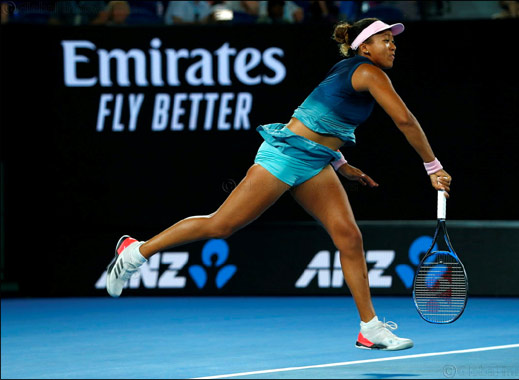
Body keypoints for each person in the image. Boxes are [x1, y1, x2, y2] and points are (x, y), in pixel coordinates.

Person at [105, 17, 452, 351]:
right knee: (220, 225)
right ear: (364, 48)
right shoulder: (368, 73)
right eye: (385, 40)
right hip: (284, 157)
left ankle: (370, 329)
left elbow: (319, 118)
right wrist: (432, 167)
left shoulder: (351, 73)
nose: (393, 46)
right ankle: (135, 251)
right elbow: (404, 120)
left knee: (349, 236)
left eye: (394, 41)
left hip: (316, 162)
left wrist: (340, 162)